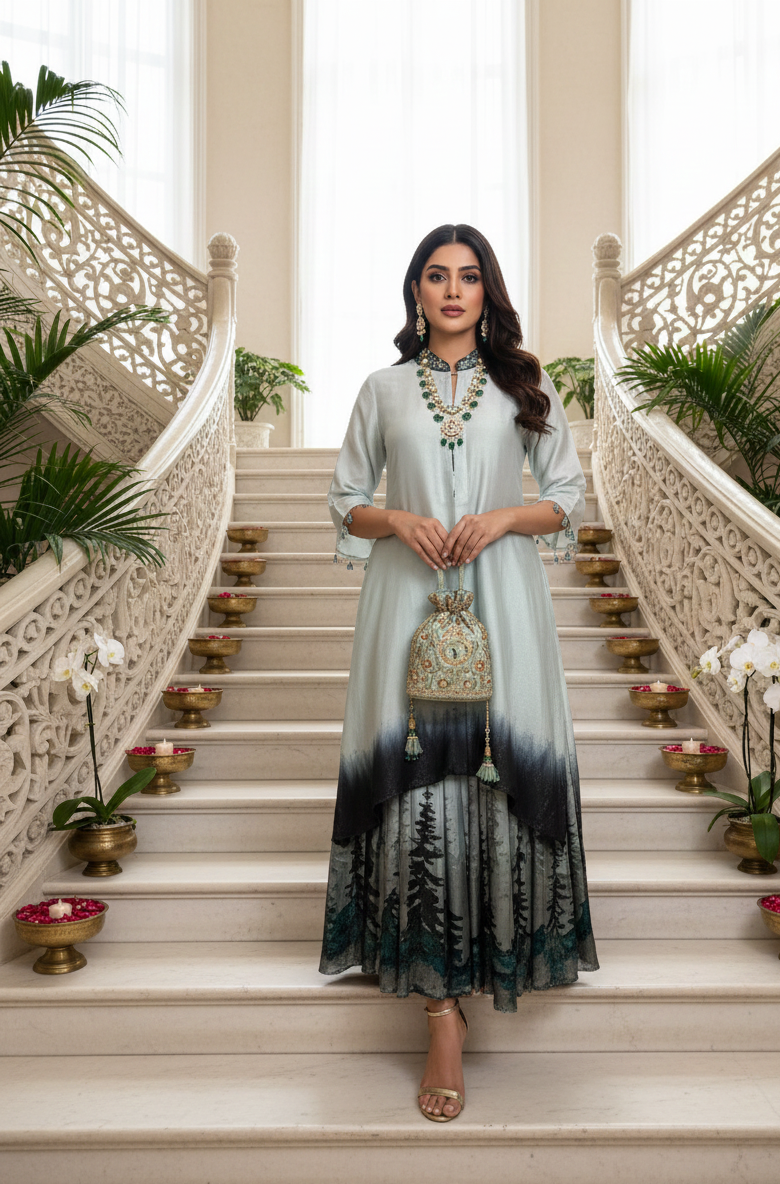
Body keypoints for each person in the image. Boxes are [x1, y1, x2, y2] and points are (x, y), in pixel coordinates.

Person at [319, 223, 598, 1122]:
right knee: (416, 800)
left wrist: (506, 518)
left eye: (467, 277)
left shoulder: (524, 385)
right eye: (435, 276)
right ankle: (442, 1012)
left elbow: (565, 494)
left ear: (487, 292)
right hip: (404, 608)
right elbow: (345, 499)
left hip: (503, 608)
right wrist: (397, 522)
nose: (451, 291)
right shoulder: (381, 389)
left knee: (492, 786)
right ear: (414, 292)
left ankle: (489, 971)